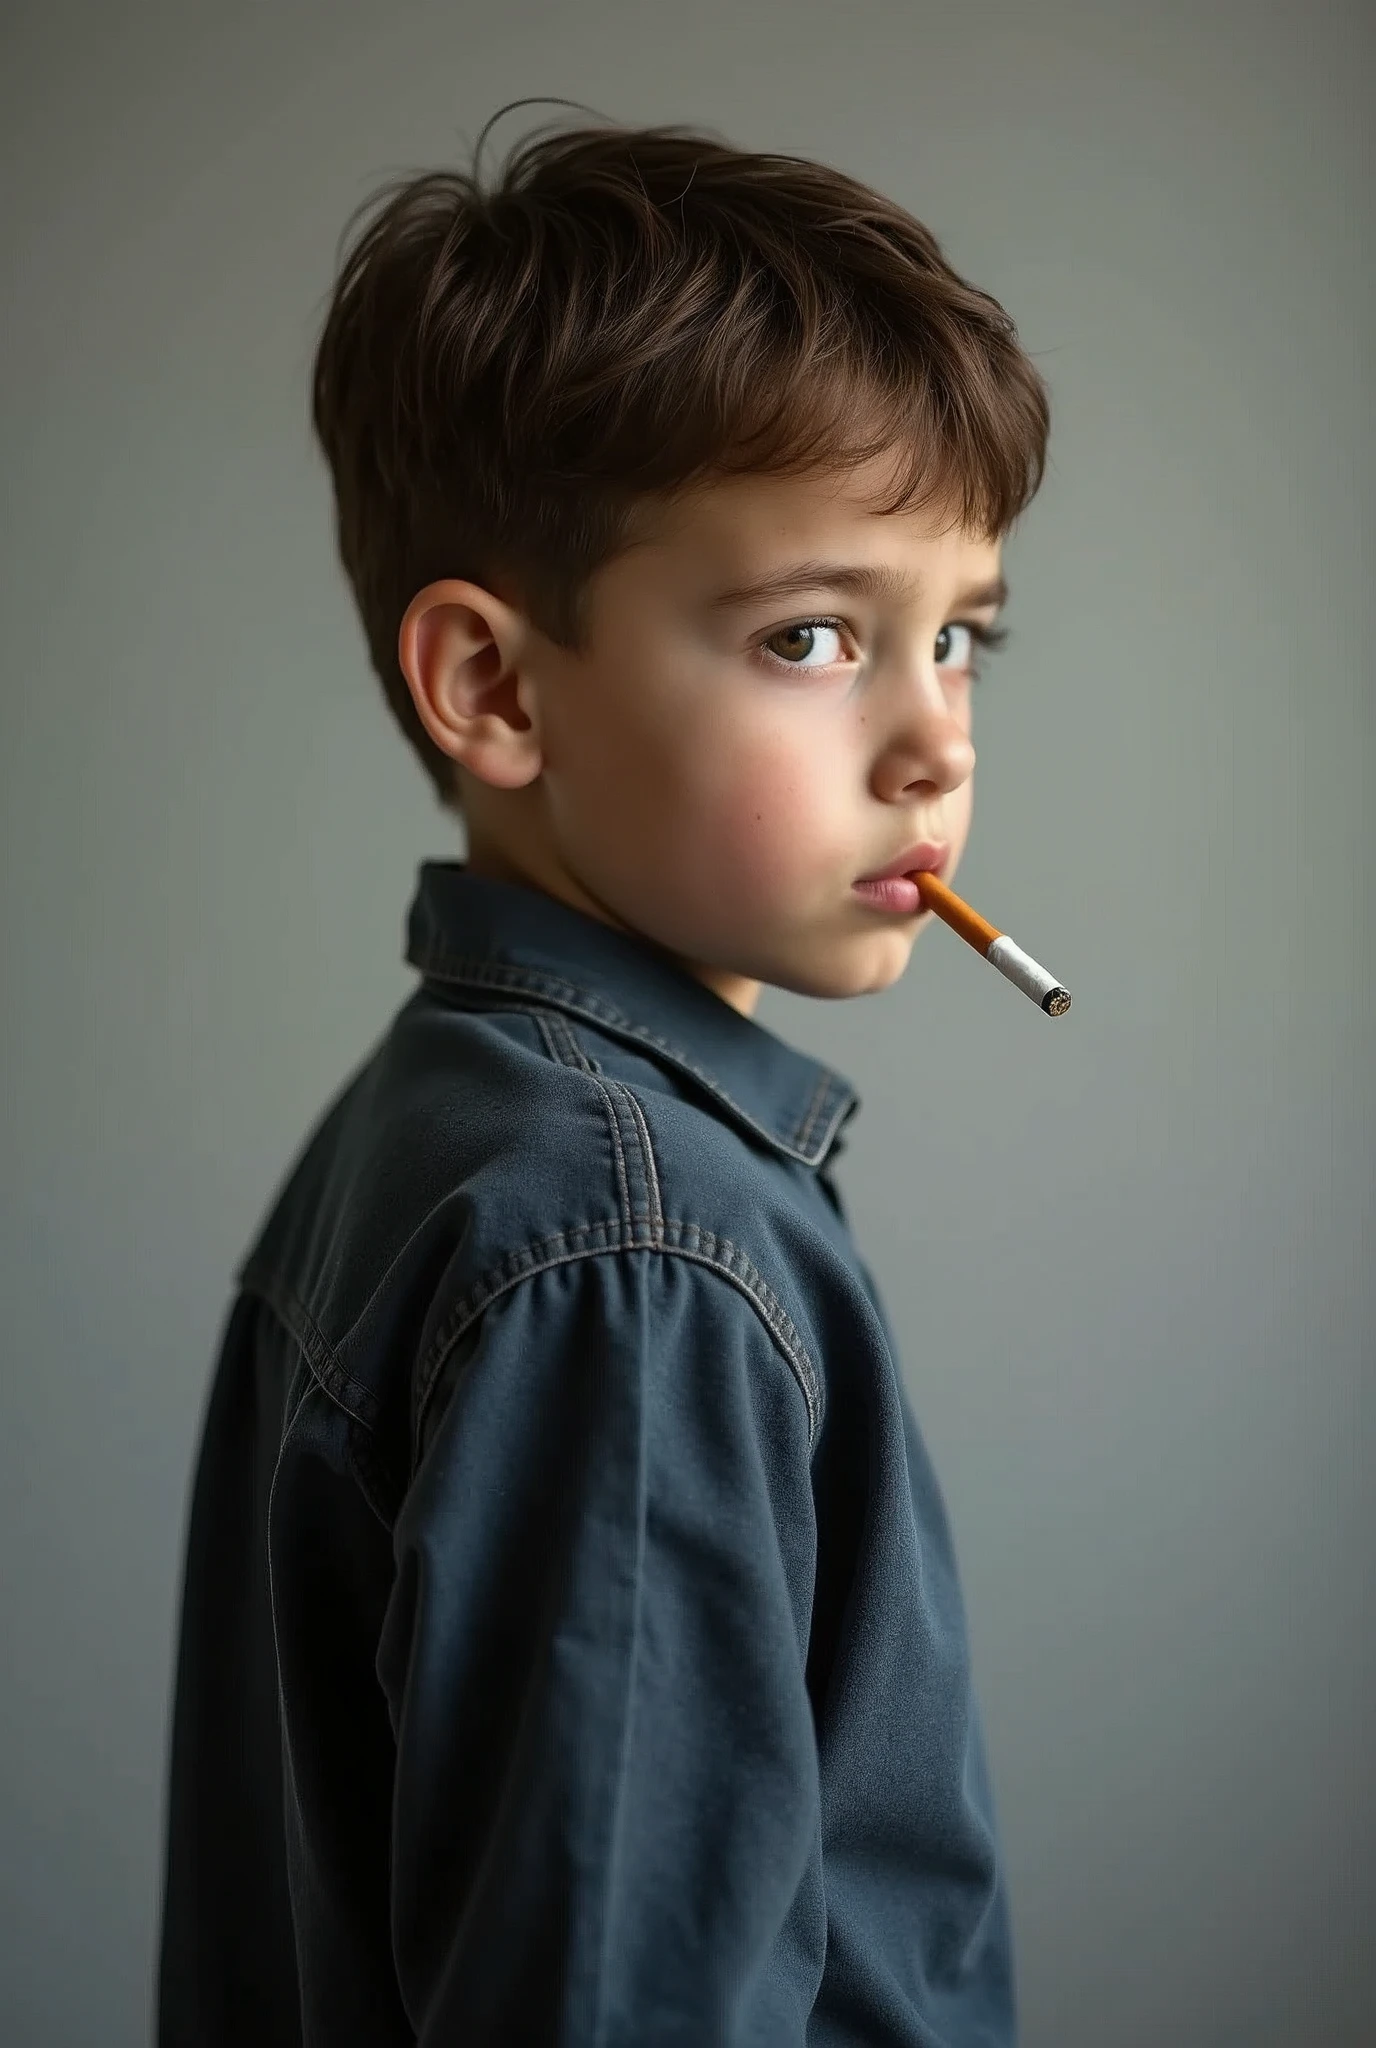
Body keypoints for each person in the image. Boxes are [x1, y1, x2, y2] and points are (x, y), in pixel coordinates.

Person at [157, 99, 1050, 2047]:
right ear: (492, 686)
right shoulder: (629, 1257)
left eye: (960, 636)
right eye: (812, 634)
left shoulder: (460, 1130)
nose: (931, 748)